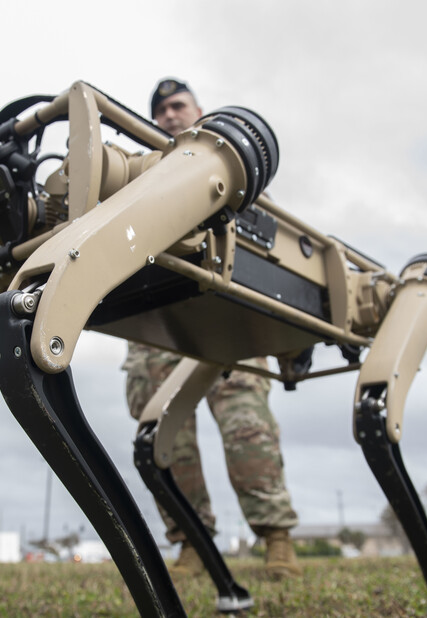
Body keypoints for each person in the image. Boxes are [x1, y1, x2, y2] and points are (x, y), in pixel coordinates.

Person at [122, 78, 300, 580]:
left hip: (229, 315)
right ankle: (191, 542)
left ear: (199, 111)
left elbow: (271, 245)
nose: (169, 115)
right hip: (157, 315)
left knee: (248, 427)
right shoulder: (141, 176)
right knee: (163, 434)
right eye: (160, 111)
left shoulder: (238, 171)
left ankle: (277, 539)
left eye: (178, 106)